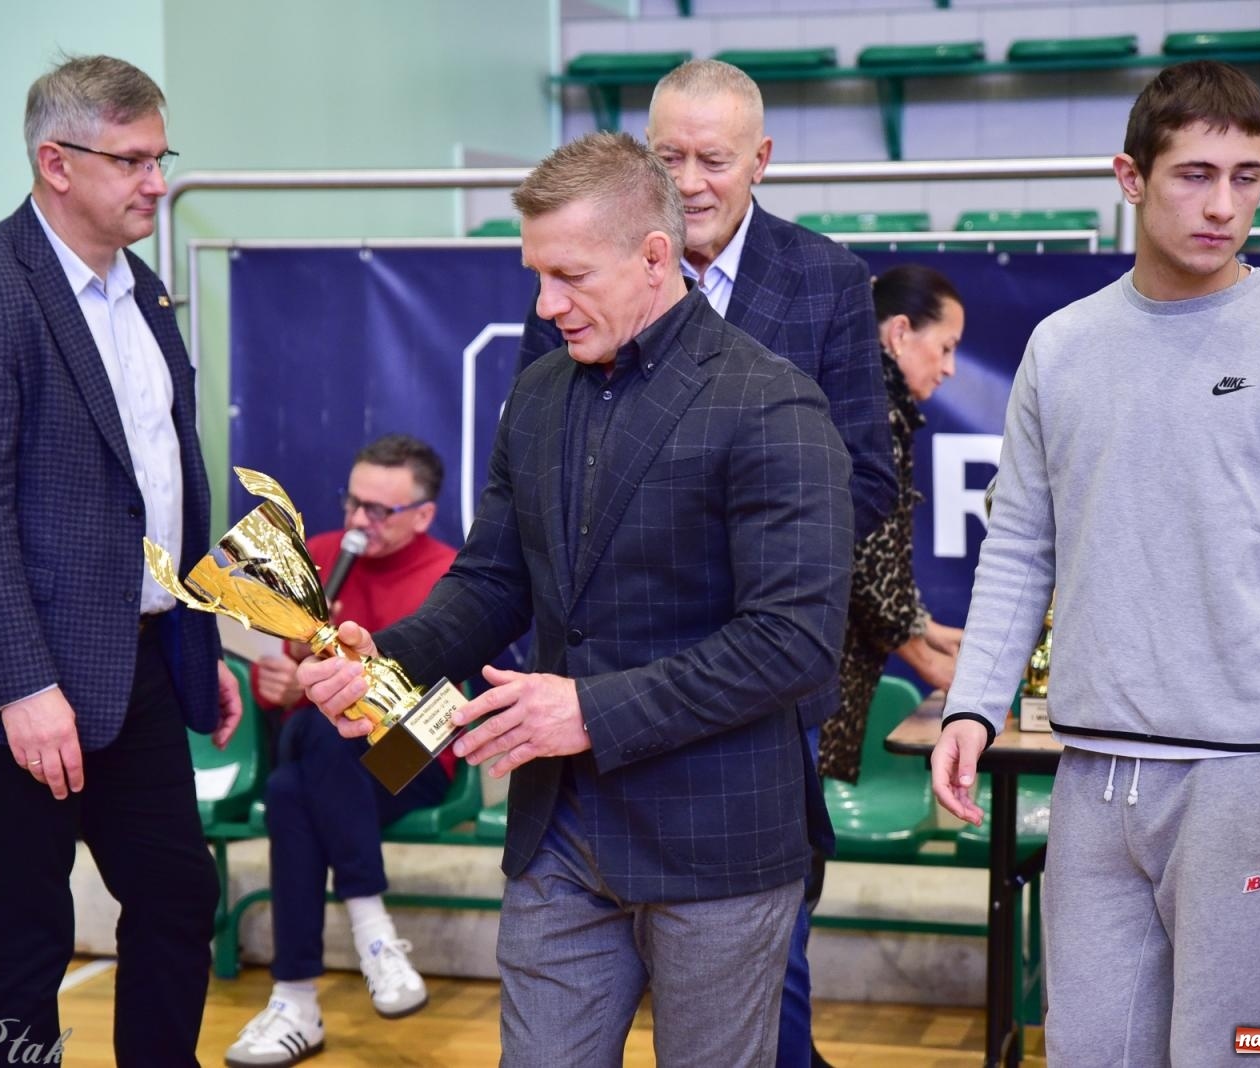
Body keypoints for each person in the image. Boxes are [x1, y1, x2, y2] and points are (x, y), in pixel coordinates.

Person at [300, 131, 852, 1067]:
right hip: (559, 835)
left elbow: (791, 644)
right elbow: (491, 580)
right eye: (535, 276)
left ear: (652, 257)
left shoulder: (772, 405)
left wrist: (590, 709)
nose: (546, 304)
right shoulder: (542, 395)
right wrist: (386, 662)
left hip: (717, 841)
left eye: (570, 276)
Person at [930, 60, 1260, 1066]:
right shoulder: (1060, 348)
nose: (1222, 204)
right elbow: (1017, 544)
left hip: (1248, 779)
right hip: (1092, 774)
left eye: (1247, 176)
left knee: (1238, 1055)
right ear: (1130, 176)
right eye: (1194, 174)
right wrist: (973, 703)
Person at [519, 57, 895, 1065]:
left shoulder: (823, 282)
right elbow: (532, 498)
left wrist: (744, 547)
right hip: (589, 718)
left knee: (764, 992)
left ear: (760, 161)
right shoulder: (570, 290)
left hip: (751, 684)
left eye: (711, 158)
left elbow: (865, 477)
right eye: (667, 154)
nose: (687, 177)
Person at [0, 55, 241, 1066]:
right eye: (131, 160)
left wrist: (197, 645)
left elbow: (166, 489)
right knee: (22, 929)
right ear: (55, 161)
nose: (155, 180)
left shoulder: (144, 292)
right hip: (23, 685)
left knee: (178, 895)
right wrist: (23, 687)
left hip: (138, 667)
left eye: (159, 156)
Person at [226, 434, 458, 1068]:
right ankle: (371, 935)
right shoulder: (319, 558)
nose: (358, 521)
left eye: (378, 510)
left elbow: (435, 706)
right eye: (353, 502)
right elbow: (279, 679)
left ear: (423, 515)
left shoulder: (450, 576)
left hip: (409, 756)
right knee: (301, 765)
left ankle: (294, 999)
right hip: (326, 750)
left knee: (293, 783)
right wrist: (272, 686)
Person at [819, 265, 966, 784]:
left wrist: (926, 627)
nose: (949, 368)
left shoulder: (870, 401)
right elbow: (862, 559)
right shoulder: (876, 411)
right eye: (945, 347)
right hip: (819, 670)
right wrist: (932, 664)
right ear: (900, 333)